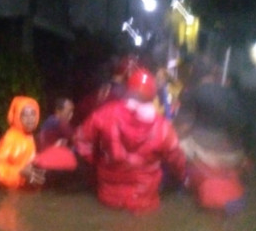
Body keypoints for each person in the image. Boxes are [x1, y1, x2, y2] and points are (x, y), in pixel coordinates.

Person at [73, 68, 187, 214]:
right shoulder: (162, 126)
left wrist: (97, 161)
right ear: (152, 95)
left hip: (107, 199)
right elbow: (177, 160)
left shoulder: (104, 114)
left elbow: (80, 140)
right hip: (144, 203)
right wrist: (183, 177)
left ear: (127, 91)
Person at [175, 56, 250, 214]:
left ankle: (184, 184)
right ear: (214, 73)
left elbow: (182, 127)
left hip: (207, 155)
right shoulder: (231, 94)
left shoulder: (192, 93)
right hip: (235, 156)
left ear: (193, 73)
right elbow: (242, 125)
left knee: (176, 141)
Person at [0, 96, 45, 189]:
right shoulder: (10, 138)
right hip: (8, 191)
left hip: (23, 186)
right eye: (25, 115)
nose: (30, 119)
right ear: (17, 117)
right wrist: (20, 172)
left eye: (33, 114)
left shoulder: (28, 136)